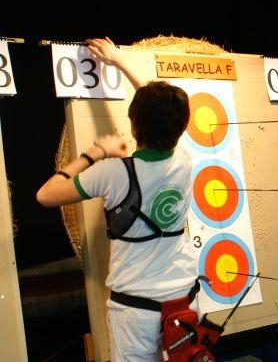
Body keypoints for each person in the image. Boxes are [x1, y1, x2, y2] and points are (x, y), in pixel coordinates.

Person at [36, 37, 200, 361]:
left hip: (136, 311)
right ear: (181, 126)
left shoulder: (112, 173)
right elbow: (162, 108)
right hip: (185, 298)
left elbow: (46, 194)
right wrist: (120, 62)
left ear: (134, 122)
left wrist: (95, 152)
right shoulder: (186, 157)